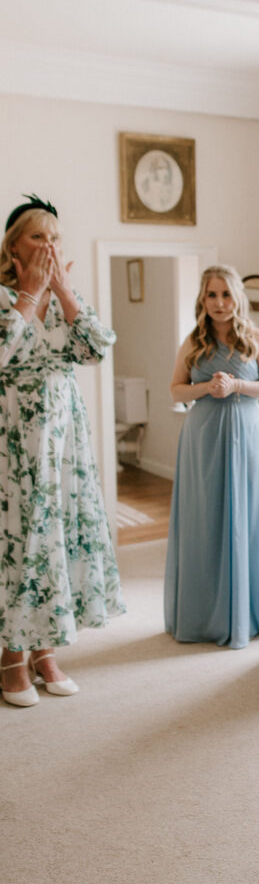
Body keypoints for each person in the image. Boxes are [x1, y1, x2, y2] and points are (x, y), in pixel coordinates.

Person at [0, 194, 125, 708]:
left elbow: (96, 348)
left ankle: (44, 651)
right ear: (12, 246)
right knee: (19, 541)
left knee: (56, 540)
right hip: (13, 439)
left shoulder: (64, 293)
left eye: (54, 237)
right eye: (37, 236)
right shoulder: (6, 297)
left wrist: (63, 291)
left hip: (63, 442)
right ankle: (11, 652)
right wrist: (28, 296)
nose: (48, 245)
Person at [164, 265, 259, 648]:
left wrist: (237, 385)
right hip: (203, 438)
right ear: (203, 299)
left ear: (237, 297)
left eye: (226, 294)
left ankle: (250, 612)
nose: (219, 303)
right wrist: (205, 389)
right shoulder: (193, 342)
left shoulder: (256, 338)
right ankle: (203, 614)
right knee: (205, 519)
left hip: (246, 435)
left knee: (250, 517)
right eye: (212, 295)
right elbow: (176, 391)